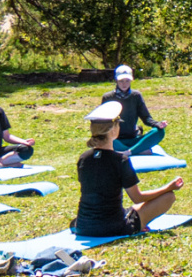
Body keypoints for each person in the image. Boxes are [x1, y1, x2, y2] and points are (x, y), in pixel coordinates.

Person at [73, 101, 184, 237]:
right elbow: (138, 198)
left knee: (130, 210)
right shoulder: (120, 160)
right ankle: (140, 224)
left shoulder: (84, 158)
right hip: (114, 227)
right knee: (169, 197)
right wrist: (168, 187)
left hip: (83, 226)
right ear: (113, 130)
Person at [102, 64, 167, 154]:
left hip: (134, 138)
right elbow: (103, 121)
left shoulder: (136, 96)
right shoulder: (108, 97)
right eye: (121, 81)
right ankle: (138, 151)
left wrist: (158, 124)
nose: (124, 84)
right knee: (104, 138)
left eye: (127, 81)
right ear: (116, 81)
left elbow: (146, 118)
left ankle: (129, 152)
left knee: (159, 132)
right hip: (116, 140)